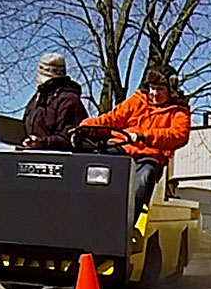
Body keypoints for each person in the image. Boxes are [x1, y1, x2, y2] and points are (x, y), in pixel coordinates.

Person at [77, 64, 191, 220]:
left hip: (149, 158)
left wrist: (144, 135)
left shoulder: (178, 112)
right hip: (122, 150)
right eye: (152, 88)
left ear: (171, 90)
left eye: (160, 89)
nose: (154, 93)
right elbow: (113, 119)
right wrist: (87, 127)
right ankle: (84, 213)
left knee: (143, 180)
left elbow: (178, 135)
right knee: (93, 164)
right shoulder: (137, 101)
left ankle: (125, 223)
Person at [21, 53, 88, 150]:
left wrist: (42, 143)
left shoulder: (68, 100)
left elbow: (70, 139)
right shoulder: (36, 98)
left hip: (61, 161)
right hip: (30, 157)